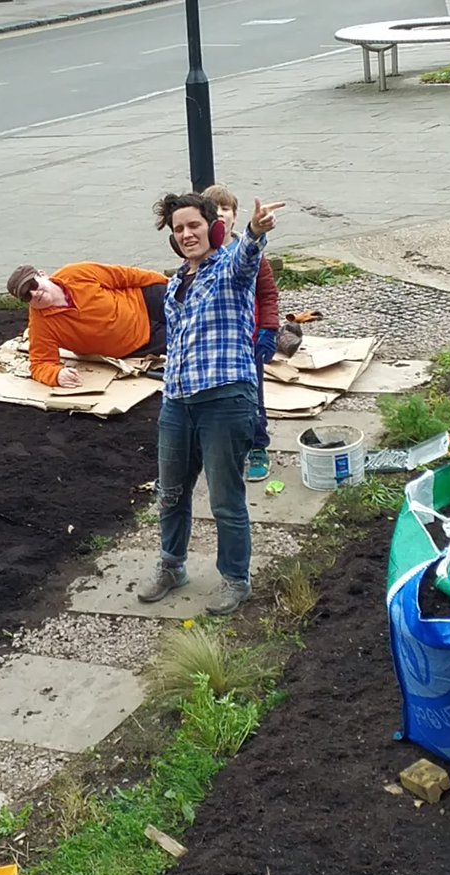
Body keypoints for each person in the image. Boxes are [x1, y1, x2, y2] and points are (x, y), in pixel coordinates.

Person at [141, 192, 285, 616]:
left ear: (212, 227)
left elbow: (248, 255)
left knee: (225, 498)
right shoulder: (175, 282)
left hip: (225, 399)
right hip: (178, 402)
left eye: (194, 225)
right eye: (179, 229)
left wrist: (256, 230)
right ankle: (172, 566)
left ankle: (236, 580)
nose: (187, 234)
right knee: (170, 493)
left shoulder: (232, 267)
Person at [201, 184, 280, 483]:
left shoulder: (251, 253)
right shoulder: (199, 256)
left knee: (252, 397)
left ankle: (258, 446)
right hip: (216, 344)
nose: (220, 214)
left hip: (249, 342)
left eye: (226, 209)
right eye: (213, 209)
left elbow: (268, 295)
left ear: (235, 216)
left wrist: (268, 331)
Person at [5, 263, 170, 388]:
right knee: (189, 338)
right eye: (27, 296)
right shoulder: (40, 326)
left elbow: (125, 275)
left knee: (188, 298)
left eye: (33, 285)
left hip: (143, 299)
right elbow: (40, 363)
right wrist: (56, 375)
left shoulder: (76, 273)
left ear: (42, 275)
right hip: (141, 340)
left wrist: (168, 283)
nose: (34, 293)